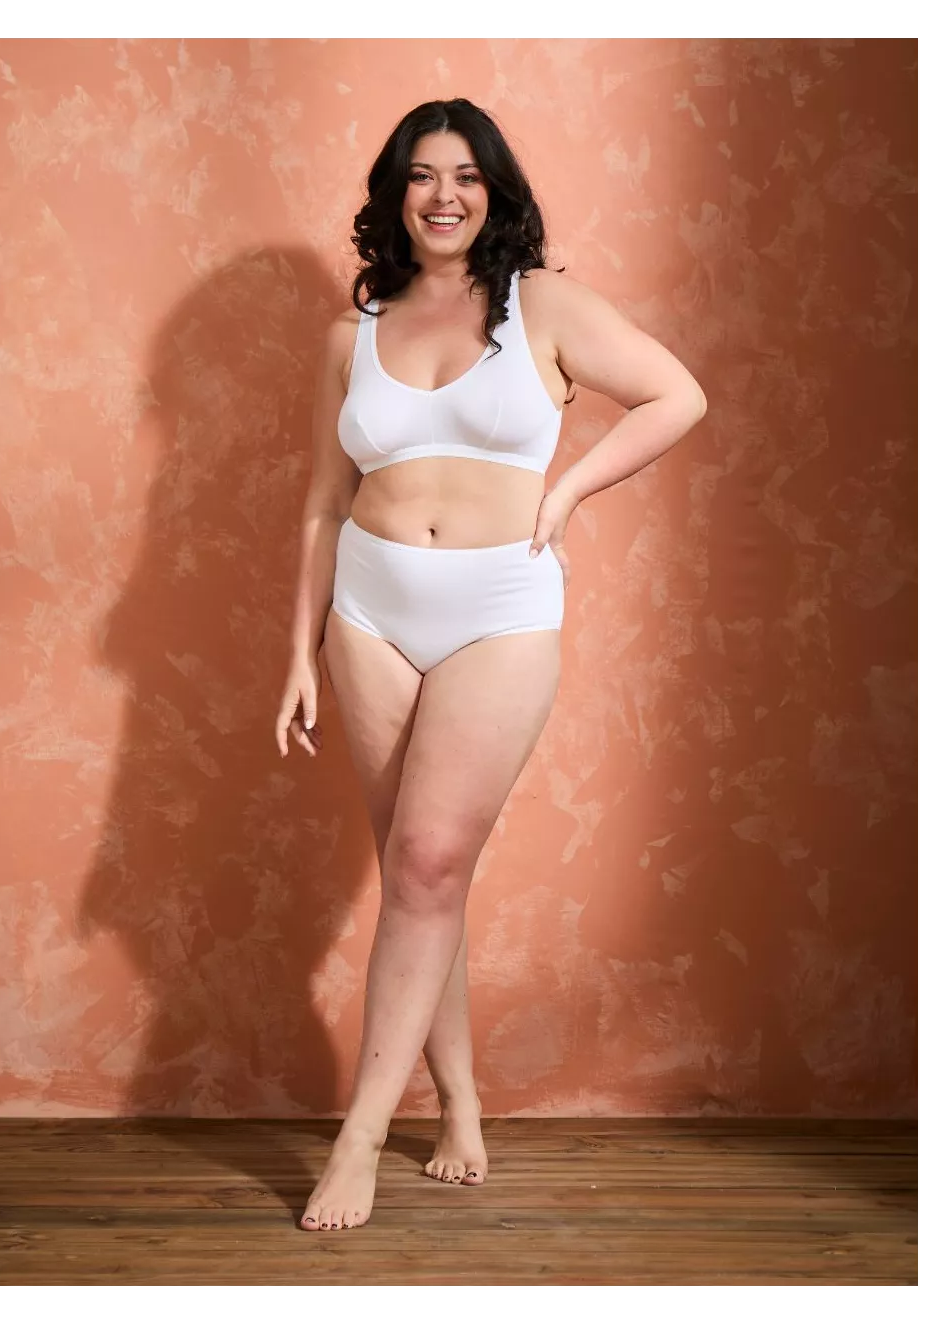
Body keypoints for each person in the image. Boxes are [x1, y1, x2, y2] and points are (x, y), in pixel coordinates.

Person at [275, 98, 706, 1232]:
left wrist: (567, 493)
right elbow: (322, 500)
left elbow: (678, 393)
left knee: (426, 863)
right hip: (368, 611)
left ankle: (361, 1135)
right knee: (421, 880)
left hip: (498, 610)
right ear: (395, 194)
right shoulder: (351, 334)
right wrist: (299, 651)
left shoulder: (541, 304)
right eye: (422, 175)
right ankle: (459, 1100)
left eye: (465, 175)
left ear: (494, 190)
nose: (444, 195)